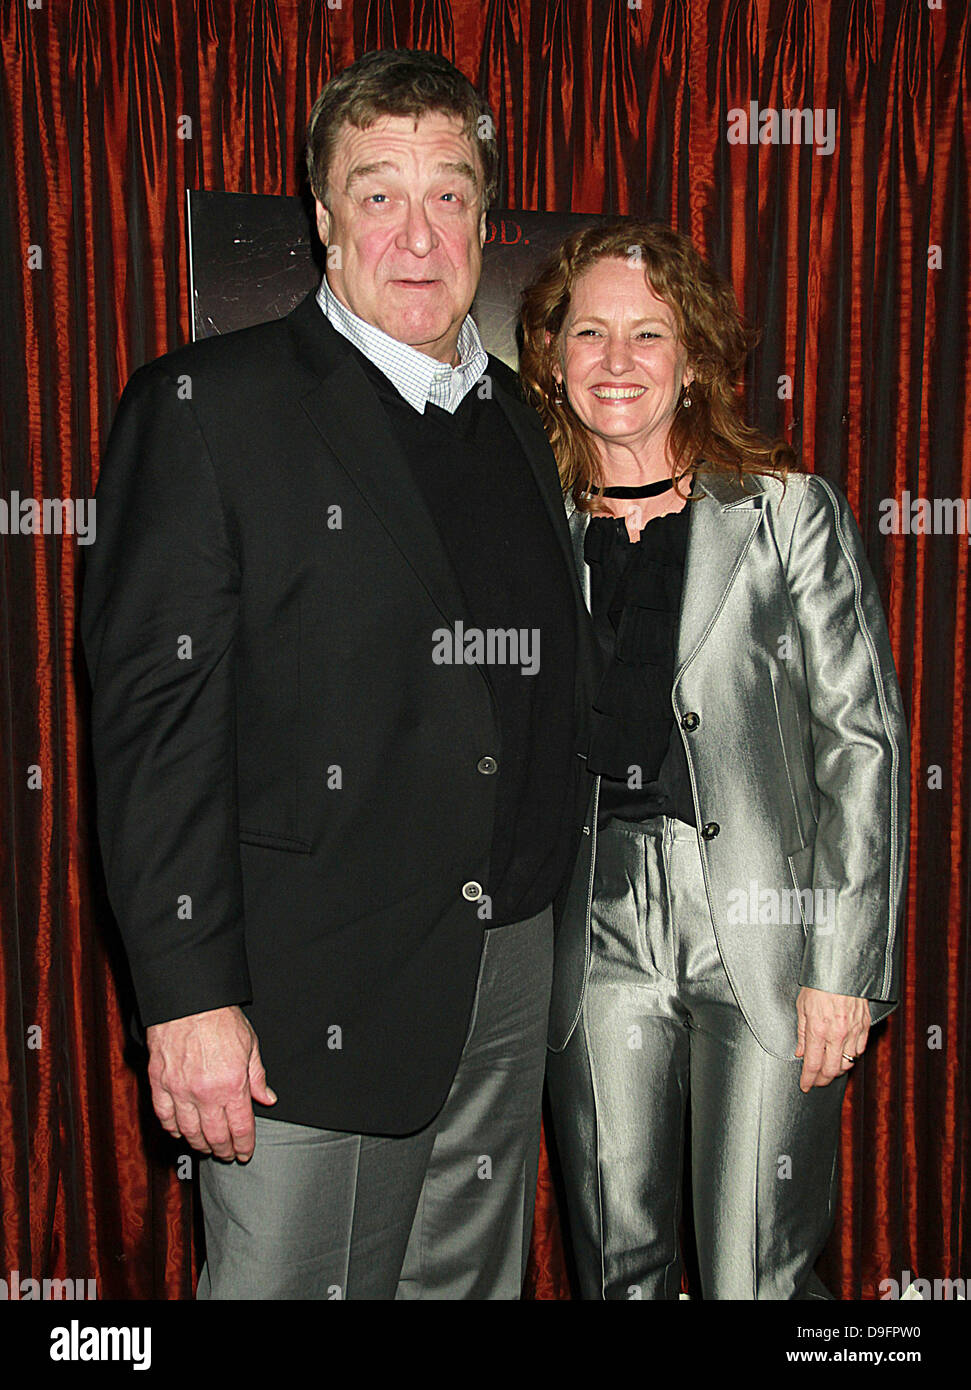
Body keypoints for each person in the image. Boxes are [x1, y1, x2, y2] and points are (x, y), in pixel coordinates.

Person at [80, 48, 598, 1300]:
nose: (416, 235)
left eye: (449, 194)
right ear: (321, 218)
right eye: (379, 194)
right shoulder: (207, 407)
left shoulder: (524, 420)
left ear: (485, 215)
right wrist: (189, 1002)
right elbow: (156, 733)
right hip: (305, 1000)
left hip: (507, 970)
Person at [518, 219, 909, 1300]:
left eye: (647, 335)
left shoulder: (783, 511)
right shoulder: (526, 525)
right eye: (586, 332)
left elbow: (862, 741)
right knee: (618, 1265)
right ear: (547, 354)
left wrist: (846, 963)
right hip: (589, 921)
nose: (614, 360)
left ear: (692, 359)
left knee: (755, 1271)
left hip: (765, 924)